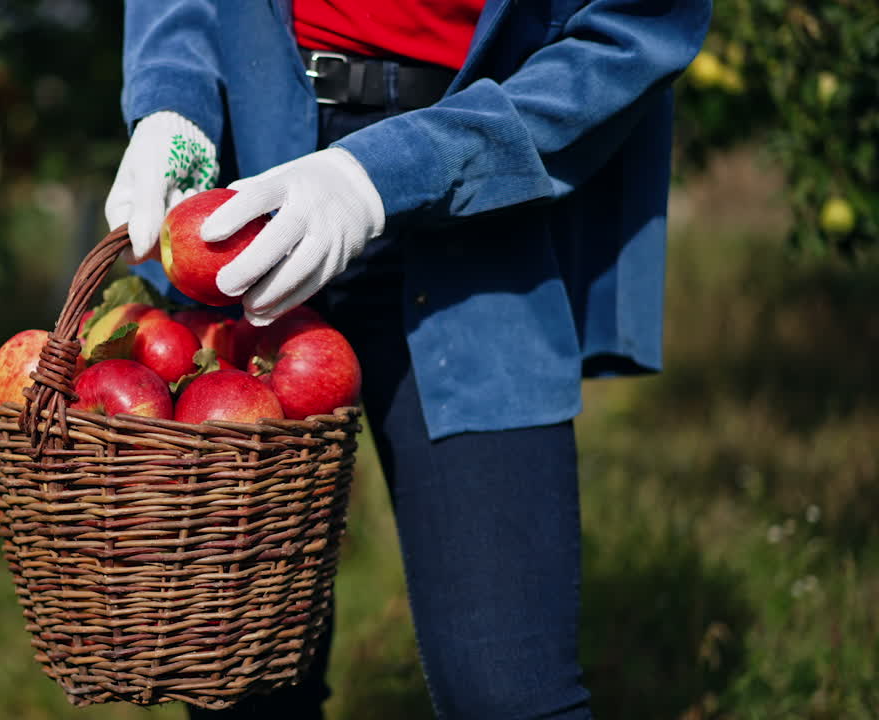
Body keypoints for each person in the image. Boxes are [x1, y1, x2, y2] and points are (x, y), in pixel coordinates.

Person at [104, 1, 712, 718]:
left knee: (508, 692)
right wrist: (173, 98)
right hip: (249, 191)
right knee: (241, 683)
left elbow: (632, 33)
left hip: (478, 188)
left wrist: (378, 175)